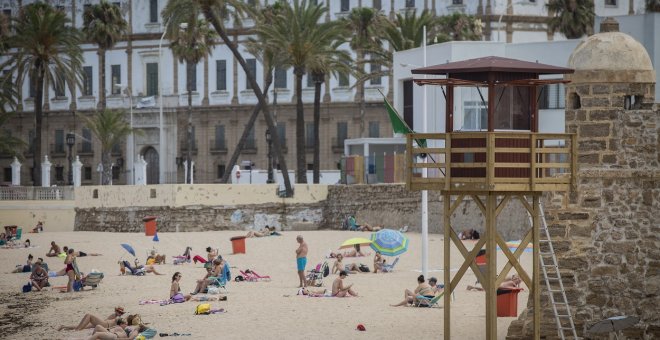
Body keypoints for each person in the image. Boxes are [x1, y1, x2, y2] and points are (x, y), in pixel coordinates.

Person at [58, 307, 126, 331]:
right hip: (104, 324)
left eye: (121, 312)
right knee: (83, 325)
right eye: (118, 311)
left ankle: (77, 330)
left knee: (89, 315)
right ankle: (64, 326)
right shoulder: (114, 315)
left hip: (104, 325)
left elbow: (120, 322)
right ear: (116, 311)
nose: (119, 313)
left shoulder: (117, 317)